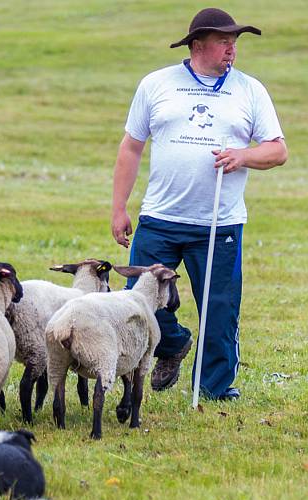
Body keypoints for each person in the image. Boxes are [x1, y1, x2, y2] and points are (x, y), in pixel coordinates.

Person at [110, 8, 287, 401]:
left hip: (219, 225)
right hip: (159, 218)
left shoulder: (250, 90)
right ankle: (171, 343)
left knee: (219, 311)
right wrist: (119, 207)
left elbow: (277, 151)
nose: (232, 50)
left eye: (235, 42)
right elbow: (131, 147)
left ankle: (213, 389)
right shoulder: (157, 84)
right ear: (197, 45)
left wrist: (243, 156)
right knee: (137, 303)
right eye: (224, 42)